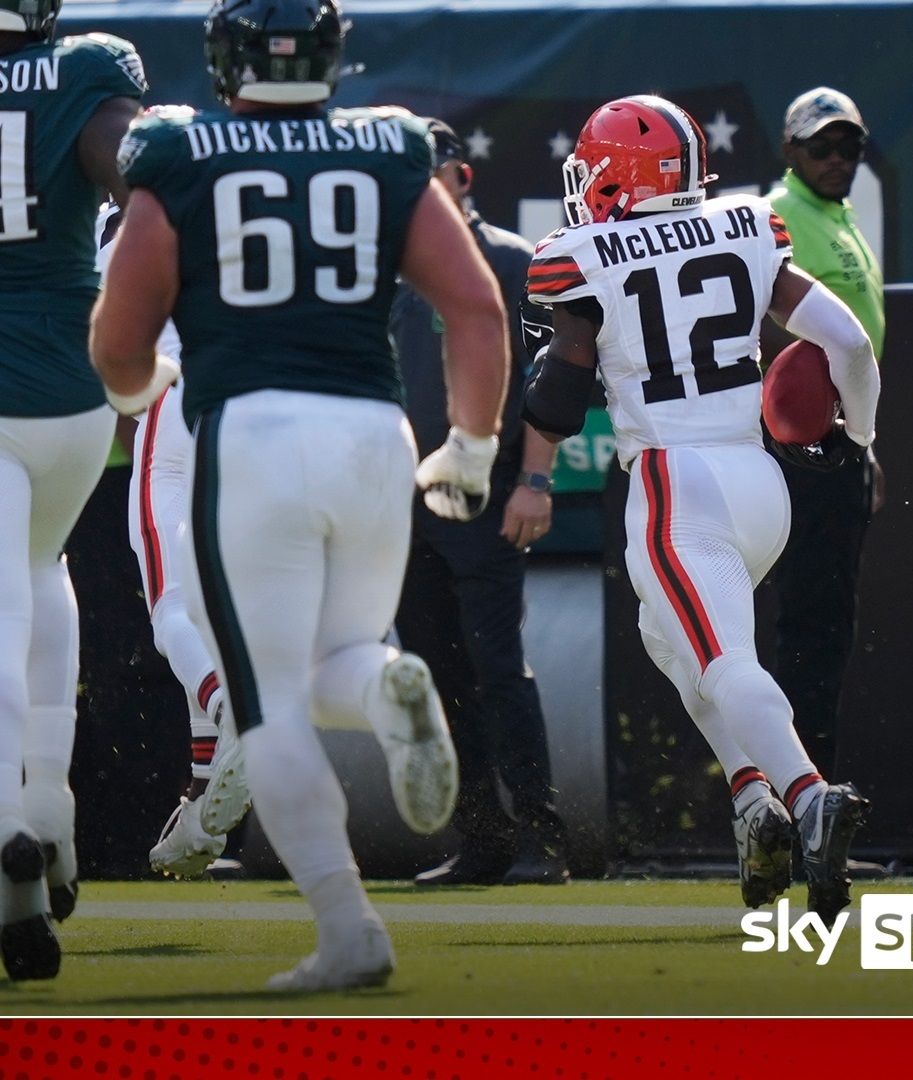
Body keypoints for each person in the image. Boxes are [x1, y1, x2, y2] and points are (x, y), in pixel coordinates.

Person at [91, 0, 509, 991]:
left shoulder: (179, 156)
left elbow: (118, 337)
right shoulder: (387, 148)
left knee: (266, 698)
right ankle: (383, 689)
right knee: (346, 655)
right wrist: (475, 447)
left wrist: (137, 391)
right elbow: (477, 305)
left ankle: (346, 925)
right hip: (372, 432)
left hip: (253, 432)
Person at [519, 94, 879, 918]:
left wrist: (543, 422)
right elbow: (850, 343)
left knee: (722, 662)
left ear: (616, 175)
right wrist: (859, 434)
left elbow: (563, 397)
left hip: (676, 486)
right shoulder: (748, 226)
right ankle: (753, 797)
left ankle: (808, 794)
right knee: (669, 636)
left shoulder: (582, 256)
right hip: (761, 484)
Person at [0, 0, 145, 982]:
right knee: (42, 569)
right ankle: (52, 802)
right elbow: (142, 182)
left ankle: (10, 844)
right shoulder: (88, 68)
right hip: (73, 390)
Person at [393, 118, 570, 888]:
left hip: (489, 496)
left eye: (426, 174)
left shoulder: (511, 260)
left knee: (499, 667)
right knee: (436, 671)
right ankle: (484, 838)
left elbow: (550, 385)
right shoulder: (383, 268)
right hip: (402, 505)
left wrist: (534, 481)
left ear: (461, 179)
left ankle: (541, 838)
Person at [93, 204, 252, 881]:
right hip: (257, 404)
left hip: (179, 401)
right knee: (216, 613)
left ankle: (233, 711)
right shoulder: (241, 205)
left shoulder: (121, 222)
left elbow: (111, 345)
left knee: (170, 610)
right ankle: (197, 797)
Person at [765, 87, 884, 772]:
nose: (838, 159)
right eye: (822, 146)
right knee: (810, 632)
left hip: (839, 443)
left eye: (850, 146)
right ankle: (807, 806)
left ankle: (808, 805)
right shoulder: (778, 214)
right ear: (790, 152)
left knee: (824, 632)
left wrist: (866, 442)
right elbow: (758, 334)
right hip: (799, 452)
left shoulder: (837, 217)